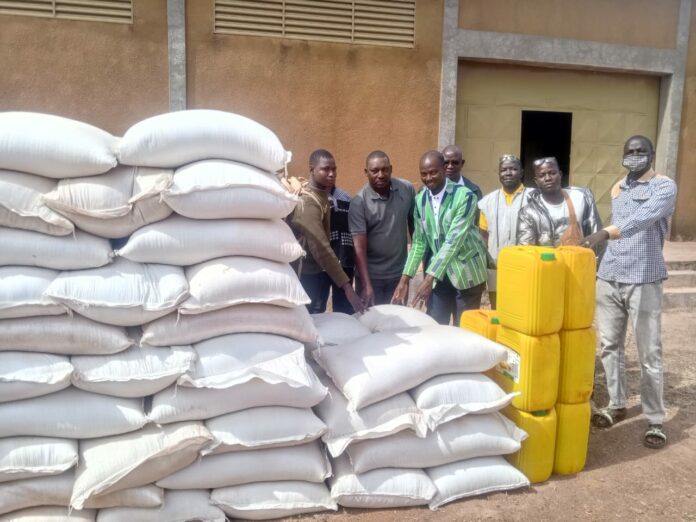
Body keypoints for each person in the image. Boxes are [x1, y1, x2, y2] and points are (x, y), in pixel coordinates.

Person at [582, 135, 677, 450]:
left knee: (650, 353)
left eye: (641, 151)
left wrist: (604, 233)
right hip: (609, 275)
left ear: (652, 154)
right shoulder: (619, 187)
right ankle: (617, 404)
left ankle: (655, 418)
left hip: (644, 277)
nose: (635, 155)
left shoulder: (664, 187)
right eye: (630, 151)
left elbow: (642, 218)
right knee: (610, 346)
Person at [391, 150, 488, 326]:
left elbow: (453, 241)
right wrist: (404, 280)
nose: (428, 178)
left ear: (443, 168)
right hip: (440, 273)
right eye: (424, 174)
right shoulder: (420, 200)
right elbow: (419, 242)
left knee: (463, 327)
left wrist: (429, 279)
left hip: (466, 271)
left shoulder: (465, 196)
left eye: (433, 172)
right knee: (435, 324)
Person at [288, 149, 365, 314]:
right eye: (325, 169)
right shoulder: (308, 203)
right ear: (312, 169)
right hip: (304, 274)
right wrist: (347, 287)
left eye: (334, 169)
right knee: (307, 316)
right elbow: (320, 247)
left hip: (315, 270)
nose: (332, 174)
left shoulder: (320, 195)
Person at [349, 151, 415, 306]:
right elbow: (359, 247)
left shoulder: (406, 189)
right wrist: (366, 285)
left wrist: (407, 275)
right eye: (374, 171)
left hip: (399, 274)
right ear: (366, 172)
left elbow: (415, 232)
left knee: (398, 318)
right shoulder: (359, 203)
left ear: (391, 169)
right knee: (373, 319)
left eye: (385, 169)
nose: (380, 175)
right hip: (371, 277)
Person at [478, 154, 531, 308]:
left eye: (513, 169)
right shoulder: (487, 202)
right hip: (496, 268)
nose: (508, 173)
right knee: (498, 310)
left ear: (521, 172)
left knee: (523, 308)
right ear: (499, 173)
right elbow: (483, 237)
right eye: (504, 170)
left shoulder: (534, 197)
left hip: (526, 266)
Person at [517, 156, 602, 247]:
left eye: (552, 173)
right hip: (545, 256)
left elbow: (596, 235)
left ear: (560, 174)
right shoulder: (528, 212)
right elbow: (525, 248)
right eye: (542, 175)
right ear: (536, 181)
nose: (548, 178)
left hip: (579, 256)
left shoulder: (580, 197)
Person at [327, 184, 355, 314]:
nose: (330, 175)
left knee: (343, 305)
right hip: (321, 261)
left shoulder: (346, 197)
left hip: (344, 257)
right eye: (326, 172)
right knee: (316, 304)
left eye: (333, 173)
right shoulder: (311, 197)